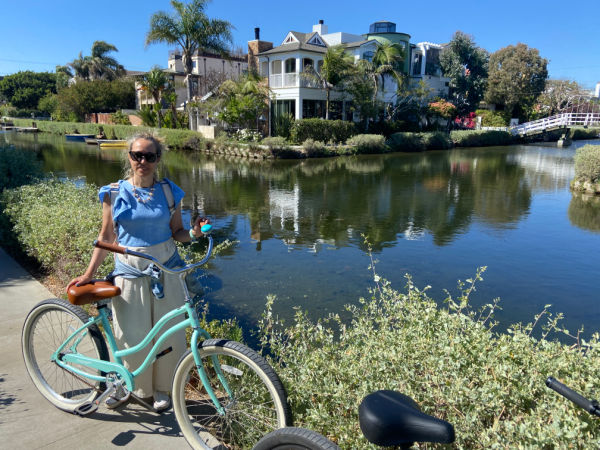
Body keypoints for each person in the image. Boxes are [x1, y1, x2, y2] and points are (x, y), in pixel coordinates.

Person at [67, 132, 208, 411]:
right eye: (137, 155)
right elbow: (106, 237)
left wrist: (193, 233)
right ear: (129, 157)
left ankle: (162, 389)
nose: (143, 161)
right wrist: (88, 274)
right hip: (130, 273)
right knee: (131, 334)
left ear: (158, 159)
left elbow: (176, 232)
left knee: (169, 334)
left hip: (166, 270)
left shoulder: (170, 191)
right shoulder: (114, 193)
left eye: (150, 156)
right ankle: (129, 384)